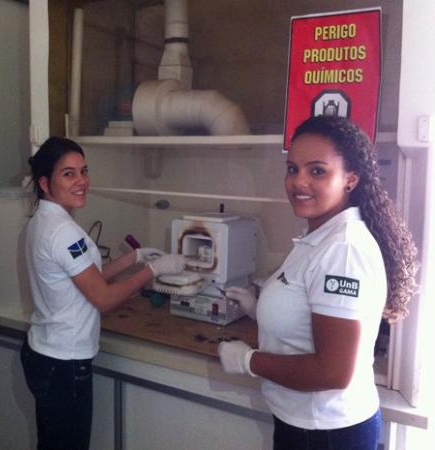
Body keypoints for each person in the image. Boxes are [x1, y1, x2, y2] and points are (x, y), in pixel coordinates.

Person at [218, 115, 418, 450]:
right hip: (308, 425)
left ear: (350, 178)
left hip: (325, 433)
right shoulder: (320, 236)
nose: (299, 182)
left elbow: (332, 371)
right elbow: (309, 314)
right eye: (292, 169)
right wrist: (259, 310)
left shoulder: (343, 249)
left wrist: (247, 360)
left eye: (317, 170)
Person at [21, 136, 186, 450]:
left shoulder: (42, 221)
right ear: (45, 182)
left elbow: (85, 277)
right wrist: (154, 271)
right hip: (64, 365)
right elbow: (103, 297)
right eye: (68, 174)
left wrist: (133, 259)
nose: (82, 181)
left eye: (84, 171)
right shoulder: (63, 232)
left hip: (45, 352)